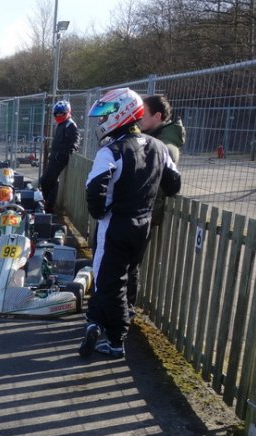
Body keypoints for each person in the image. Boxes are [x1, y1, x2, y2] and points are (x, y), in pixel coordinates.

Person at [79, 87, 181, 359]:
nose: (102, 122)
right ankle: (104, 321)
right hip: (143, 223)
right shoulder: (159, 147)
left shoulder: (111, 151)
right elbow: (174, 184)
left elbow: (94, 191)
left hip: (115, 224)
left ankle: (115, 339)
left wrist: (100, 212)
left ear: (121, 114)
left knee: (107, 280)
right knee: (129, 275)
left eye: (106, 116)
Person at [127, 94, 186, 313]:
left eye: (143, 113)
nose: (138, 118)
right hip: (139, 211)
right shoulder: (149, 137)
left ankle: (126, 310)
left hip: (145, 213)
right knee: (127, 263)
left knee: (131, 265)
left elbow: (165, 182)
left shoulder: (165, 146)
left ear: (157, 116)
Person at [39, 100, 80, 213]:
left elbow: (76, 138)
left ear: (67, 112)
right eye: (57, 113)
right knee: (51, 181)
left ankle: (48, 204)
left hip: (60, 158)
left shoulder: (70, 124)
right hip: (55, 156)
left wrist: (72, 148)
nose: (59, 115)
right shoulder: (61, 124)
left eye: (61, 113)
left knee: (45, 181)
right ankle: (49, 204)